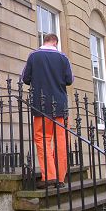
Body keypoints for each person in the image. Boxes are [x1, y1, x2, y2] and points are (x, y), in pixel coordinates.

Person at [22, 33, 74, 189]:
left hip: (41, 106)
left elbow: (25, 78)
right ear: (55, 43)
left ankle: (49, 176)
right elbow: (69, 80)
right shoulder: (63, 58)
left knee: (42, 139)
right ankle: (60, 179)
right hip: (60, 106)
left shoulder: (34, 56)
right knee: (61, 142)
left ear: (43, 41)